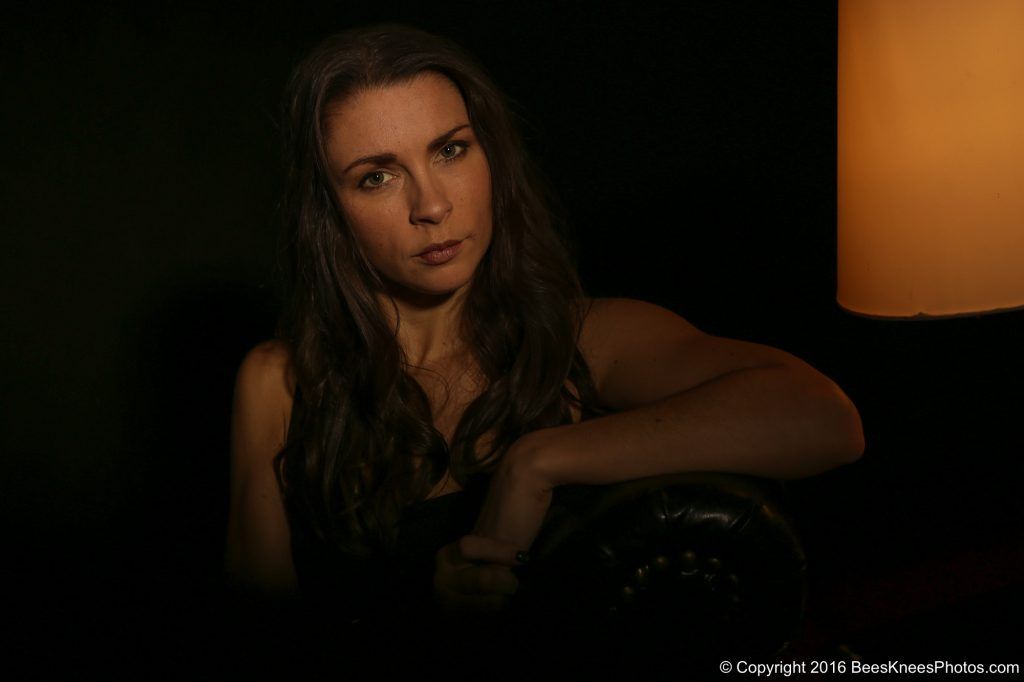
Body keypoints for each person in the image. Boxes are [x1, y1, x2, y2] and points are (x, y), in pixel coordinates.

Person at [223, 22, 863, 669]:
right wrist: (416, 616)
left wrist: (538, 461)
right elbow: (261, 648)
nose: (432, 205)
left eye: (450, 150)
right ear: (328, 211)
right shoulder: (281, 382)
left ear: (492, 156)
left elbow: (826, 419)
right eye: (376, 177)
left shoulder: (586, 338)